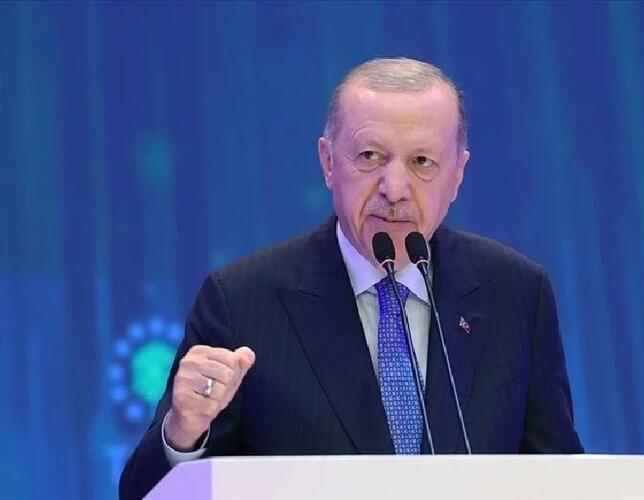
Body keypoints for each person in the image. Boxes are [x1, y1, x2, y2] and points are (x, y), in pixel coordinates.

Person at [119, 57, 583, 499]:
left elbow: (563, 481)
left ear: (458, 174)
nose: (394, 190)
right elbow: (141, 494)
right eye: (370, 156)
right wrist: (182, 434)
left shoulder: (516, 293)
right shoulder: (241, 303)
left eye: (422, 162)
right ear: (328, 162)